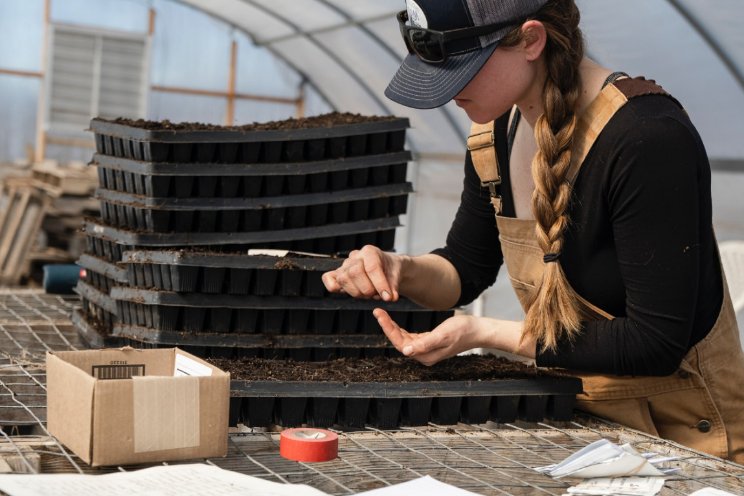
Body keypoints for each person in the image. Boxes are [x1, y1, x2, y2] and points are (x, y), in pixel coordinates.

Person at [322, 0, 744, 462]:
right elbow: (465, 267)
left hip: (687, 441)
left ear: (531, 40)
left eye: (466, 67)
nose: (448, 94)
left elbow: (653, 343)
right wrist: (398, 267)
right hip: (585, 426)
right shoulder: (495, 131)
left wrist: (484, 332)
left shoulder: (647, 138)